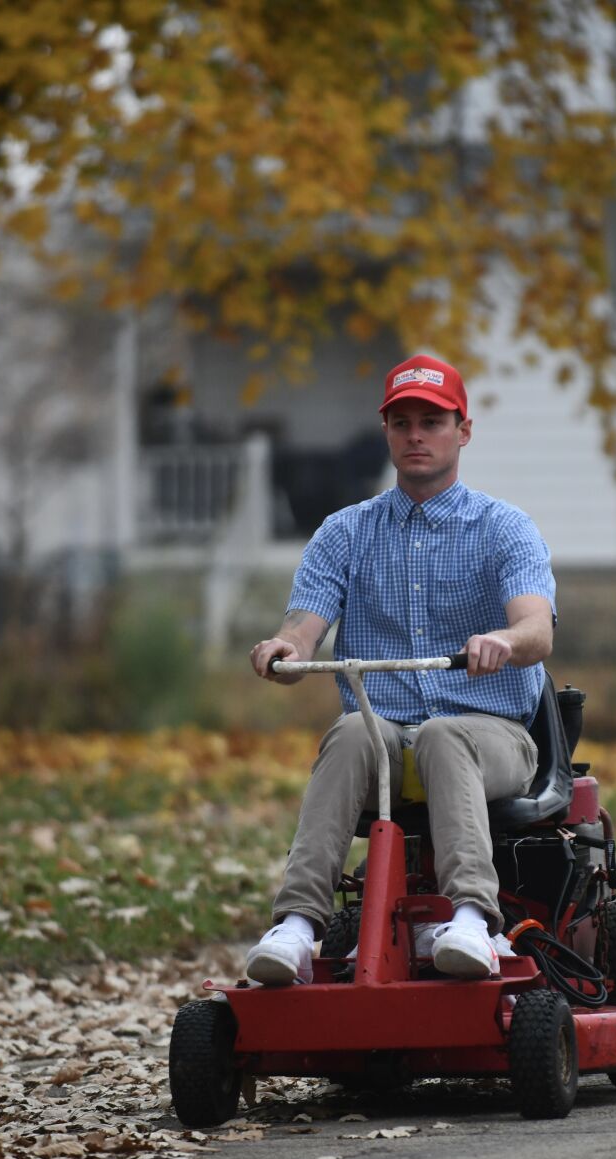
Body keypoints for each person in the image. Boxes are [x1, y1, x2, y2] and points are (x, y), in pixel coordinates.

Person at [243, 354, 557, 986]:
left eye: (433, 422)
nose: (417, 435)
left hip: (489, 731)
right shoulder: (344, 532)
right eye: (403, 422)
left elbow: (537, 629)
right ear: (386, 433)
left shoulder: (505, 529)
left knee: (444, 734)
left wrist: (503, 639)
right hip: (383, 736)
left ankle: (473, 918)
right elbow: (303, 626)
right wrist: (281, 649)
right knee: (353, 730)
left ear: (462, 432)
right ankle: (298, 927)